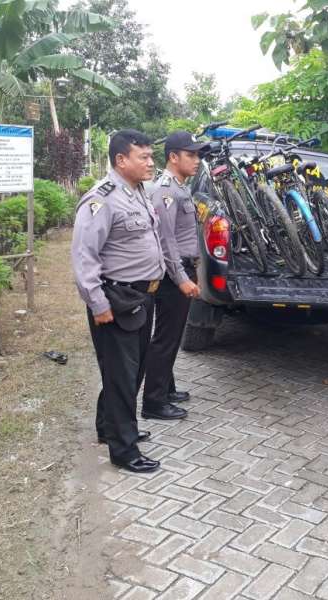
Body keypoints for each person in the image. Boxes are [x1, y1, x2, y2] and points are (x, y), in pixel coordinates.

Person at [72, 129, 165, 473]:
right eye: (144, 157)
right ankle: (123, 450)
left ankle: (109, 427)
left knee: (131, 370)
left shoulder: (138, 192)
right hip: (117, 298)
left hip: (142, 296)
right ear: (121, 160)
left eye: (151, 156)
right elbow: (84, 257)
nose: (150, 162)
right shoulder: (103, 198)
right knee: (122, 376)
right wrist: (98, 305)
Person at [142, 131, 209, 419]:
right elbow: (165, 238)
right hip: (173, 271)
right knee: (166, 338)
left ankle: (165, 388)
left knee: (170, 334)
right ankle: (154, 403)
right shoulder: (166, 190)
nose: (197, 160)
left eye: (198, 155)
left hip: (182, 266)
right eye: (191, 155)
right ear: (173, 157)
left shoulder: (180, 187)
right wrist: (181, 277)